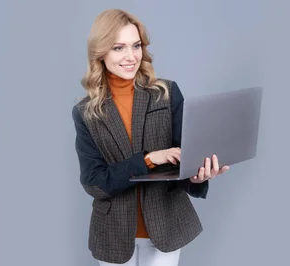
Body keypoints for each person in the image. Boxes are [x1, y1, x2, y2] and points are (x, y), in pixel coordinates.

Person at [71, 9, 229, 266]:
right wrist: (147, 160)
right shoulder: (86, 112)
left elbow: (183, 158)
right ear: (101, 52)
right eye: (119, 48)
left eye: (136, 46)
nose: (131, 57)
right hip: (113, 231)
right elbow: (94, 183)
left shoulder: (166, 93)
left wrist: (198, 175)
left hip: (165, 224)